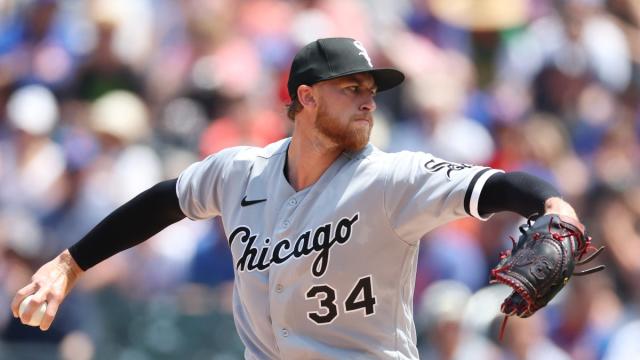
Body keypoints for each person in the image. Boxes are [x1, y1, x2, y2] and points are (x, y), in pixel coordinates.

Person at [12, 37, 581, 359]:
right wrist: (69, 265)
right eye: (351, 89)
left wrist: (555, 208)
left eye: (371, 92)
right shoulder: (240, 173)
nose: (368, 101)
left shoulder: (392, 179)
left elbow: (497, 187)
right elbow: (164, 201)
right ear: (305, 98)